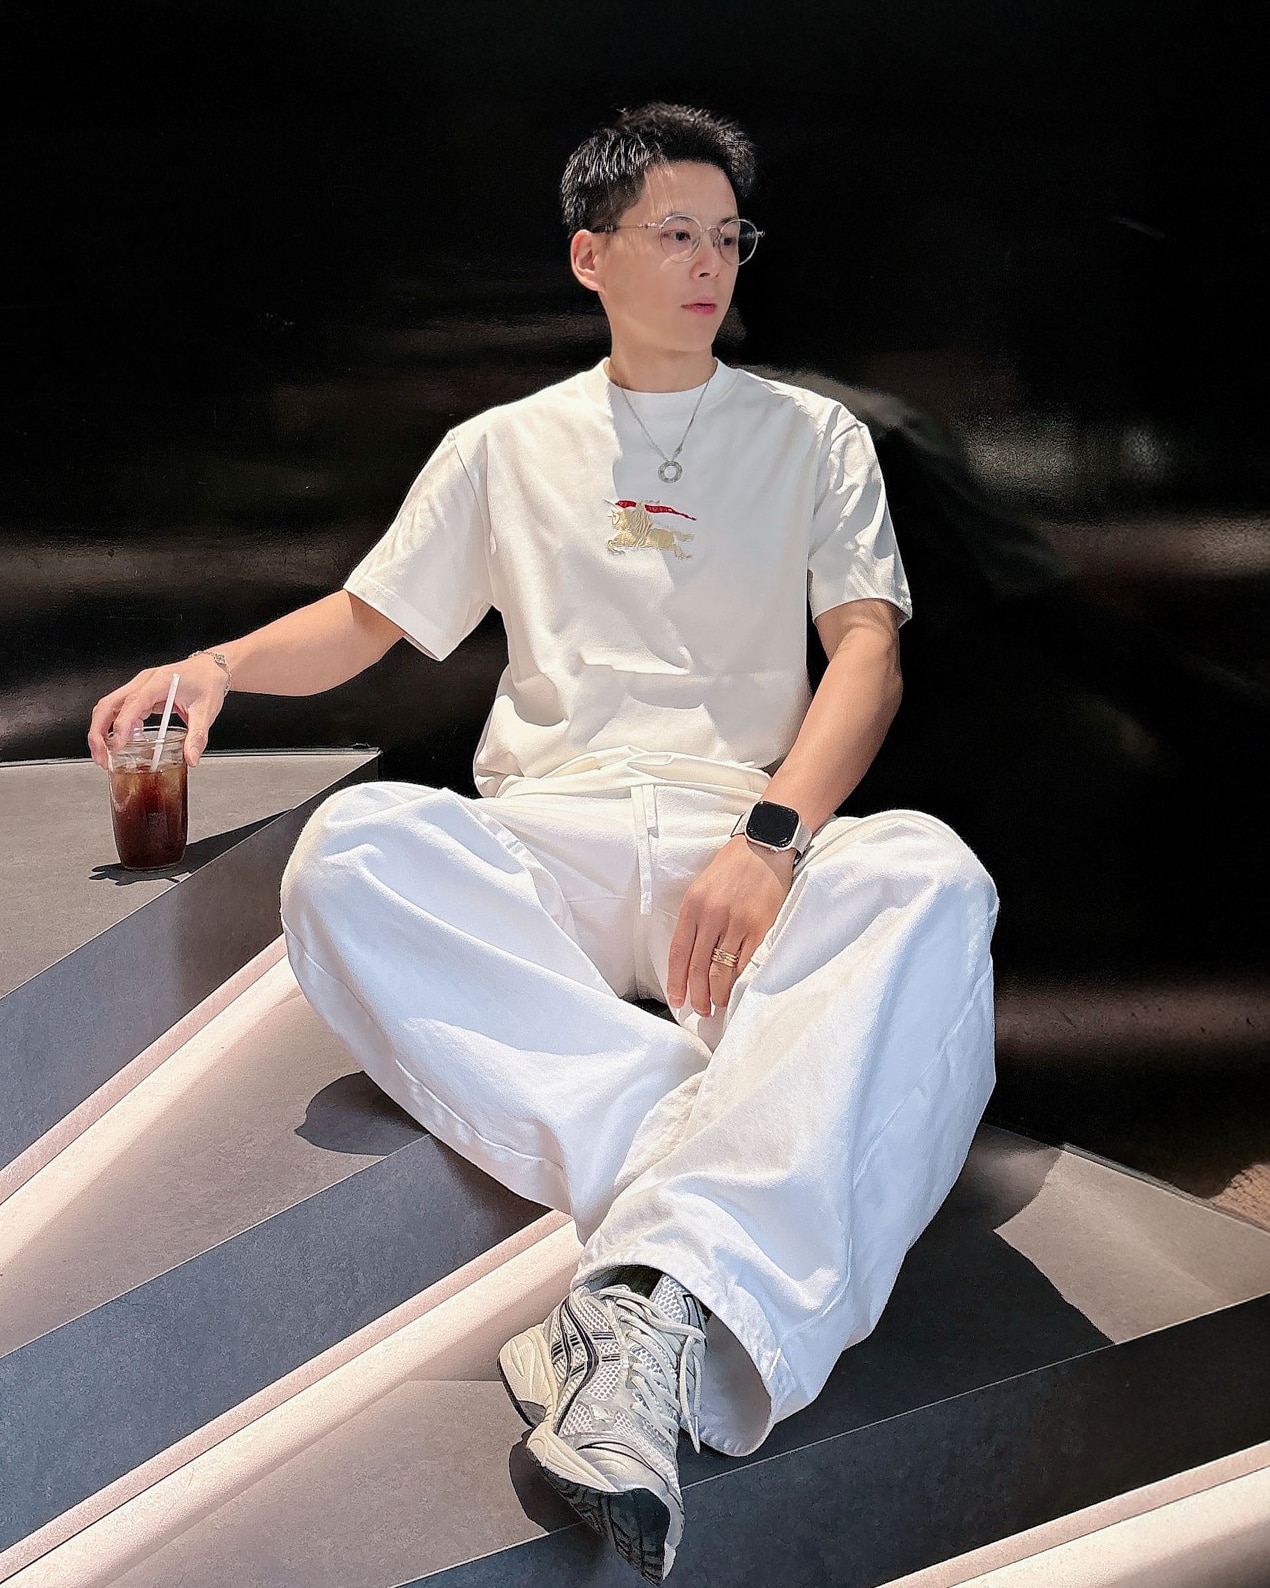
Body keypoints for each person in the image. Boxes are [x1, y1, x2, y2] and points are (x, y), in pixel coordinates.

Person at [87, 101, 999, 1585]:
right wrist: (219, 666)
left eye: (727, 239)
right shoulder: (501, 446)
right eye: (674, 234)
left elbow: (867, 656)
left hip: (739, 847)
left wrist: (773, 835)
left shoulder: (812, 436)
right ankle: (722, 1177)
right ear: (591, 256)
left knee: (929, 874)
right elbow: (367, 622)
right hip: (550, 843)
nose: (707, 265)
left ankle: (649, 1294)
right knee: (356, 850)